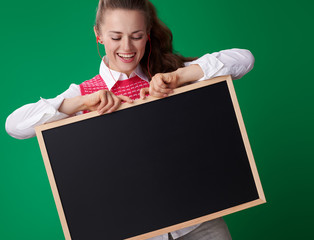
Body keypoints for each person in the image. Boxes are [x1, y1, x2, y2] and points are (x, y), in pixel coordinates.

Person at [5, 0, 254, 239]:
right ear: (98, 35)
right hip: (135, 231)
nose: (127, 47)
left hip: (200, 223)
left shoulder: (166, 74)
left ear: (147, 34)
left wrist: (179, 77)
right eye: (116, 37)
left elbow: (244, 59)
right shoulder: (84, 94)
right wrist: (80, 103)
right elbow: (15, 126)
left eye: (136, 36)